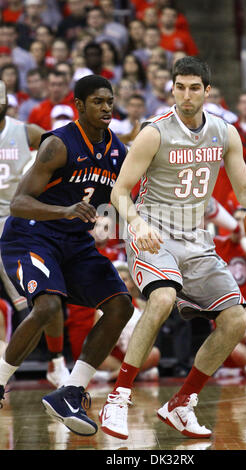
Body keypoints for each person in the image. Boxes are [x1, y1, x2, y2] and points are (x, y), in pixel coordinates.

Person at [99, 56, 246, 440]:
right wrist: (136, 224)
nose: (186, 95)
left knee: (237, 319)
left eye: (193, 88)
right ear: (172, 88)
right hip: (151, 232)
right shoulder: (154, 133)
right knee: (163, 298)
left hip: (196, 239)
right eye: (179, 87)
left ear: (206, 91)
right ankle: (118, 397)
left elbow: (245, 191)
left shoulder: (225, 133)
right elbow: (119, 191)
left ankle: (182, 404)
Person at [0, 75, 134, 437]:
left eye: (109, 101)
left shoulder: (118, 152)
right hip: (32, 233)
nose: (106, 108)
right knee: (47, 306)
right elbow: (18, 203)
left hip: (74, 243)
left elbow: (115, 206)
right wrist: (65, 211)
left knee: (121, 304)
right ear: (79, 105)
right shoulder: (58, 144)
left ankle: (70, 392)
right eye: (97, 102)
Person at [0, 81, 70, 387]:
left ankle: (56, 361)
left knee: (43, 295)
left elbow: (61, 151)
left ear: (7, 102)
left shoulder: (24, 131)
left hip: (14, 223)